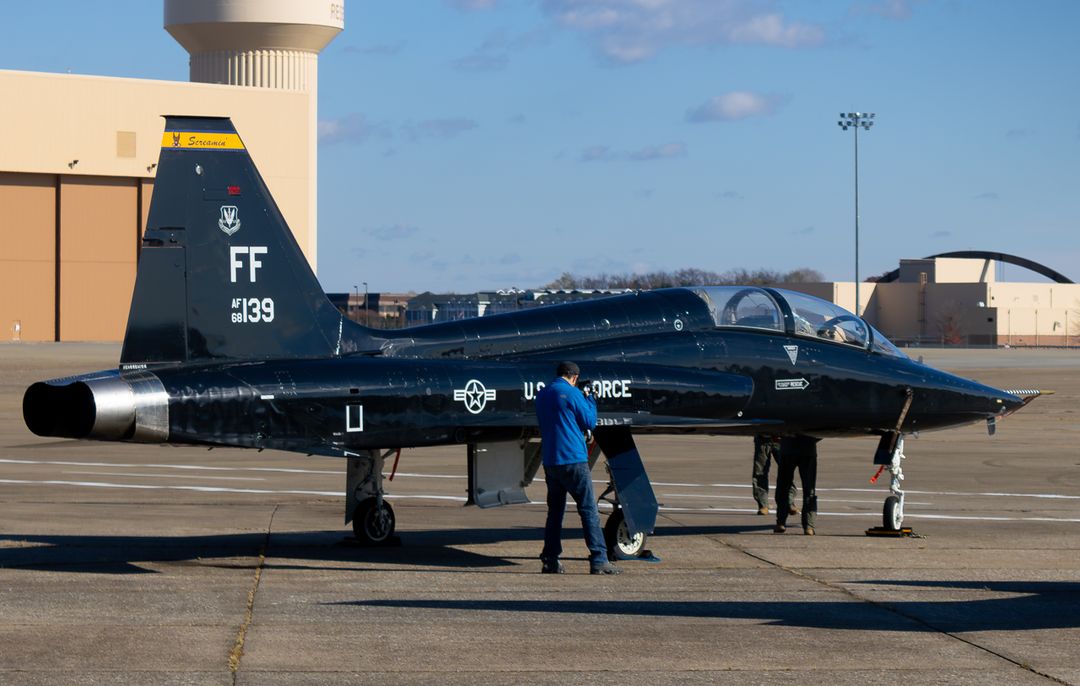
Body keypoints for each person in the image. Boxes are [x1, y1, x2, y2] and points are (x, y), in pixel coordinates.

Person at [535, 361, 620, 575]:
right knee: (588, 510)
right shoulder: (573, 394)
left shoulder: (542, 394)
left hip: (551, 461)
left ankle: (550, 560)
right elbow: (590, 422)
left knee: (555, 512)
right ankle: (599, 559)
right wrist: (590, 397)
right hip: (573, 459)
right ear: (574, 377)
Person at [773, 435, 819, 535]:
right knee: (809, 489)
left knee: (783, 487)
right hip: (808, 447)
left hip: (788, 447)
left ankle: (781, 522)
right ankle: (808, 526)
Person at [752, 434, 797, 516]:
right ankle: (763, 505)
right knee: (760, 472)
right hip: (763, 438)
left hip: (781, 439)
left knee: (787, 471)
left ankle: (790, 503)